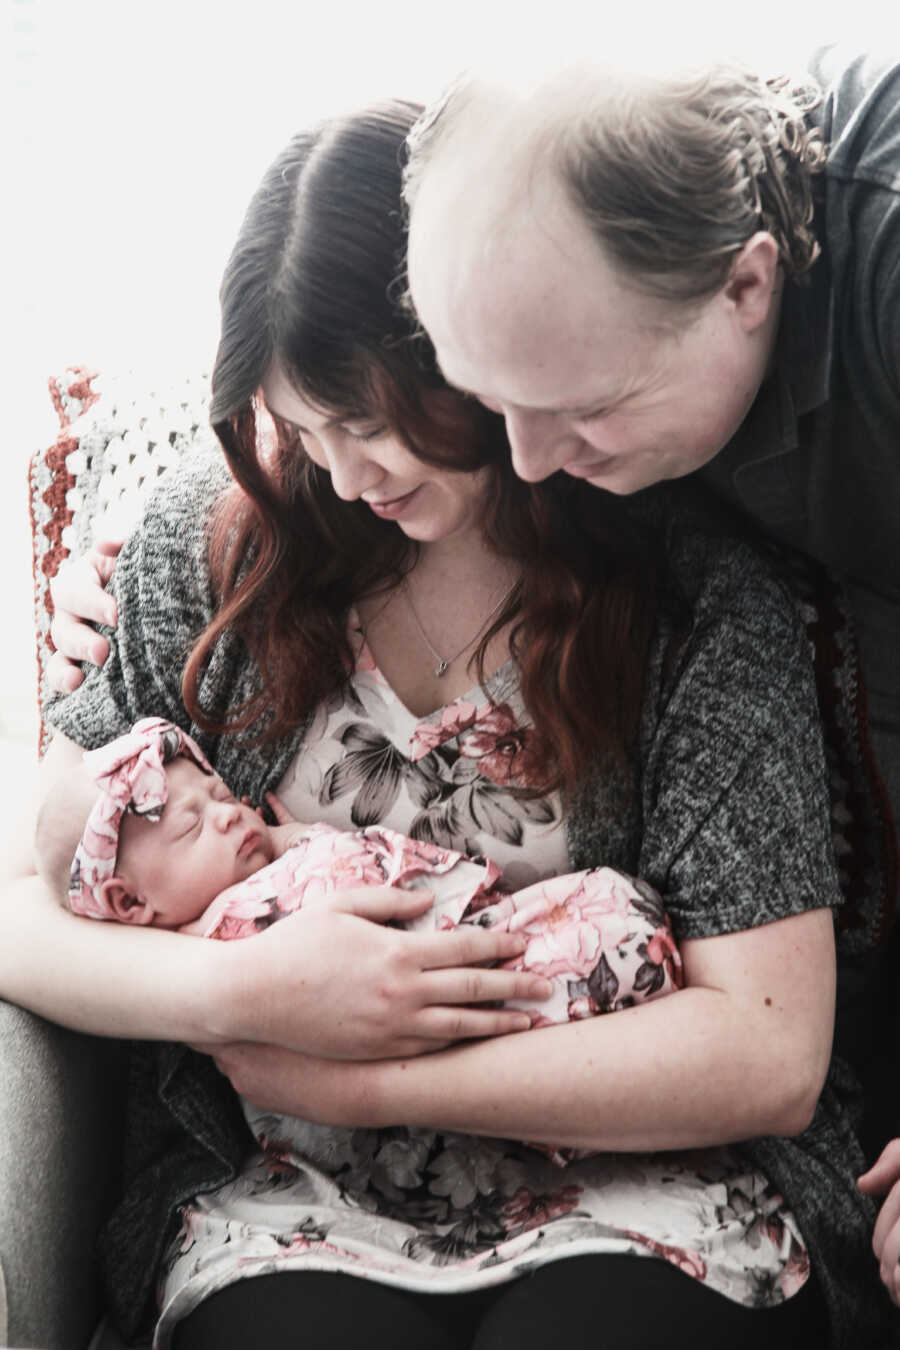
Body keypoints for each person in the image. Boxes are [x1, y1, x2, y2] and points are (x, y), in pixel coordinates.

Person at [12, 99, 887, 1350]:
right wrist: (240, 989)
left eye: (365, 422)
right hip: (295, 1195)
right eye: (302, 430)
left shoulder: (692, 588)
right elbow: (19, 904)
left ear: (463, 356)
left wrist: (363, 1074)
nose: (344, 473)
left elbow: (767, 1048)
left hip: (654, 1178)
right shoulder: (213, 555)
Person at [400, 45, 900, 1305]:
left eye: (583, 409)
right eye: (489, 400)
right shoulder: (570, 281)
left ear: (747, 285)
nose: (525, 461)